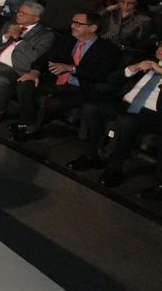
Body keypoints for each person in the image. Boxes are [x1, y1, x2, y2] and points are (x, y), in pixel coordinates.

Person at [10, 10, 120, 142]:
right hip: (57, 81)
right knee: (25, 82)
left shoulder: (109, 49)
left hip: (82, 88)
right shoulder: (66, 40)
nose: (72, 26)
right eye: (72, 22)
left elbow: (100, 74)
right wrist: (35, 72)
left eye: (78, 24)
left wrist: (71, 68)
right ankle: (26, 122)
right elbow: (46, 57)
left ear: (93, 28)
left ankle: (32, 129)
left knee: (52, 102)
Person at [69, 43, 162, 196]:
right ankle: (92, 156)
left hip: (154, 114)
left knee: (126, 121)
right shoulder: (147, 61)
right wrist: (132, 69)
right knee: (92, 107)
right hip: (126, 103)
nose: (160, 48)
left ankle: (115, 168)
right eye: (160, 45)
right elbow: (111, 79)